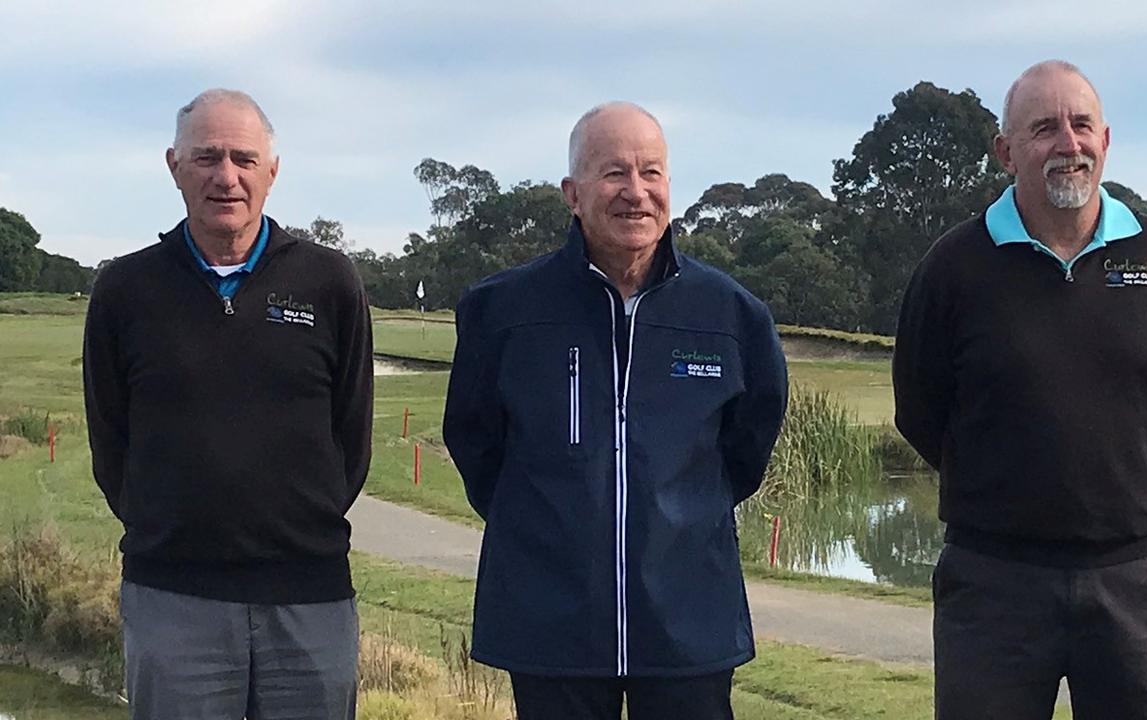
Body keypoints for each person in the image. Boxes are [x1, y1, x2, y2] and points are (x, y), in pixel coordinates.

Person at [443, 101, 788, 720]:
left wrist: (679, 514)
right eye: (614, 174)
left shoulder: (731, 315)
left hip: (688, 625)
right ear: (573, 194)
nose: (636, 192)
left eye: (651, 173)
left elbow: (745, 449)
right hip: (552, 627)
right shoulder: (501, 312)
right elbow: (476, 444)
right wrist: (551, 523)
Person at [893, 60, 1147, 720]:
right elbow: (920, 410)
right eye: (1044, 129)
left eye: (1081, 125)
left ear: (1105, 139)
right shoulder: (953, 267)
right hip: (992, 584)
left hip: (1136, 580)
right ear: (1005, 152)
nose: (1068, 144)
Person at [83, 89, 373, 720]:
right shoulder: (126, 290)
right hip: (173, 596)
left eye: (244, 158)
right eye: (207, 156)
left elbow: (351, 440)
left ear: (272, 171)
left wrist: (298, 524)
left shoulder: (329, 282)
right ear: (174, 166)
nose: (227, 176)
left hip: (309, 596)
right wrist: (166, 527)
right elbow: (111, 442)